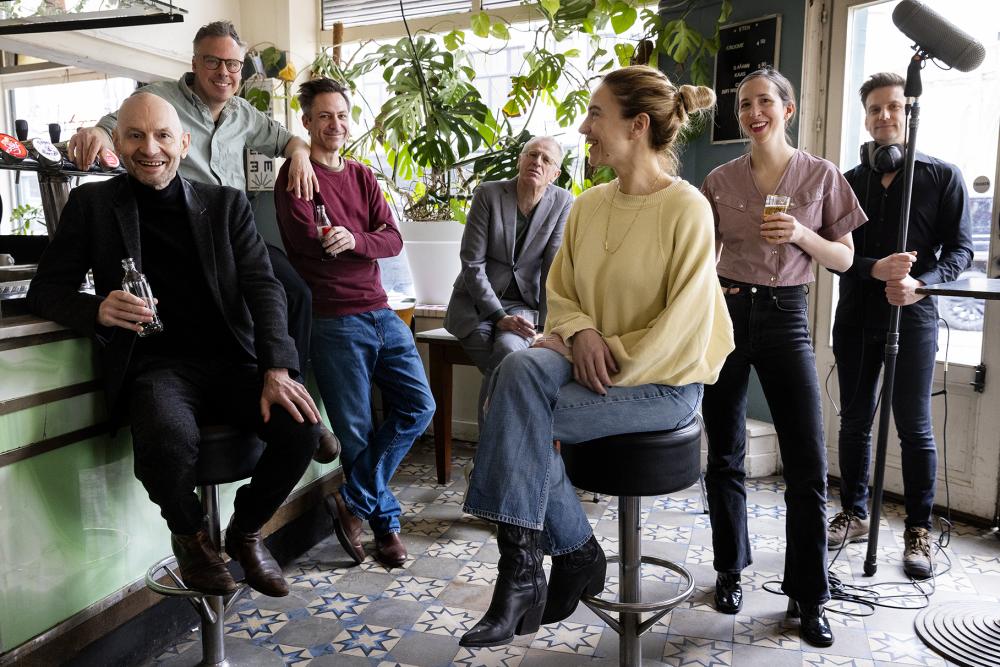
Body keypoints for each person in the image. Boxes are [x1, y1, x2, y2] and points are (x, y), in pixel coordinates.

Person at [458, 65, 734, 648]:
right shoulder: (587, 205)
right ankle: (551, 559)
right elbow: (561, 292)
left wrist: (599, 349)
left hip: (662, 383)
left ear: (636, 126)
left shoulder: (687, 209)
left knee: (512, 417)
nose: (584, 127)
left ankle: (542, 566)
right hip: (590, 359)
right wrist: (579, 330)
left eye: (595, 114)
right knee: (517, 369)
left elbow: (684, 326)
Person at [27, 93, 322, 598]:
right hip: (155, 366)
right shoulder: (92, 206)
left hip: (232, 360)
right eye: (136, 136)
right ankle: (190, 539)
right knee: (165, 442)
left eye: (163, 135)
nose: (150, 148)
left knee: (304, 430)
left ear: (183, 143)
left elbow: (264, 287)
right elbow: (47, 290)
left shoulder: (225, 205)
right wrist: (96, 308)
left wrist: (278, 369)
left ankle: (245, 532)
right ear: (116, 142)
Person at [66, 20, 339, 464]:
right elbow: (118, 126)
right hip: (187, 235)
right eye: (213, 61)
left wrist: (302, 156)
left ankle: (291, 388)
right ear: (194, 62)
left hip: (236, 231)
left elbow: (289, 139)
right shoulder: (161, 100)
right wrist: (96, 133)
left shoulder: (245, 113)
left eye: (232, 64)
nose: (223, 72)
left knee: (296, 292)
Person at [701, 66, 867, 647]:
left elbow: (844, 260)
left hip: (787, 315)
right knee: (724, 451)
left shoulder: (821, 175)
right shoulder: (720, 179)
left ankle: (808, 591)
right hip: (726, 313)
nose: (753, 113)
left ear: (787, 109)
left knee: (806, 460)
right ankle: (729, 568)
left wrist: (799, 232)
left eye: (764, 102)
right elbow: (704, 254)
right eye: (745, 104)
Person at [273, 78, 435, 569]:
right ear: (306, 122)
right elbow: (307, 245)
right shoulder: (294, 178)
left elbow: (391, 239)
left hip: (382, 313)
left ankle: (353, 502)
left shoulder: (363, 176)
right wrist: (346, 241)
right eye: (323, 116)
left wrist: (356, 240)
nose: (334, 125)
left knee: (418, 407)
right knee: (358, 431)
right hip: (334, 321)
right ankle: (385, 527)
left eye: (341, 116)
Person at [828, 72, 972, 579]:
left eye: (894, 107)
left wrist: (921, 284)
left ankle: (918, 529)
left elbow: (962, 251)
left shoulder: (942, 176)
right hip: (856, 316)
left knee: (914, 427)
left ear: (908, 114)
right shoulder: (848, 182)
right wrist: (873, 268)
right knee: (854, 421)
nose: (885, 116)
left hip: (913, 318)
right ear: (864, 117)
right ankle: (855, 511)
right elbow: (835, 255)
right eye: (875, 109)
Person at [443, 136, 571, 428]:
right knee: (509, 361)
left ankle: (487, 456)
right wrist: (498, 316)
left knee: (509, 353)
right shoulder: (489, 194)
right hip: (476, 304)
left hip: (524, 307)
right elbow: (472, 263)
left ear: (555, 173)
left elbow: (553, 266)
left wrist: (545, 327)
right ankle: (502, 449)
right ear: (520, 160)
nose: (537, 162)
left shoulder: (562, 201)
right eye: (531, 154)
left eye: (546, 159)